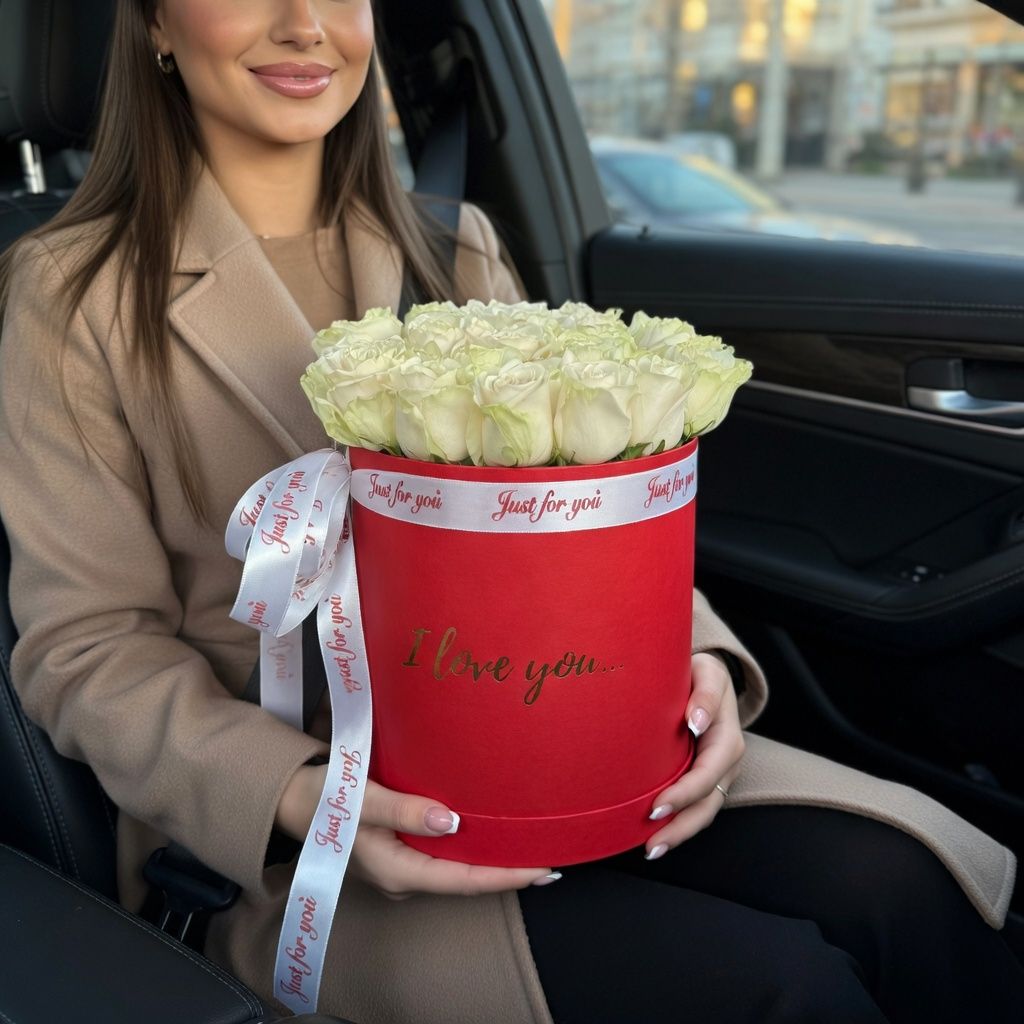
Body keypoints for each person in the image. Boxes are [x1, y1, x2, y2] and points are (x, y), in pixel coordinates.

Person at [0, 2, 1021, 1022]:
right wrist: (304, 794)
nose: (305, 23)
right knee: (779, 988)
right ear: (156, 25)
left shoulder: (456, 247)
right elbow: (87, 645)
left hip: (568, 737)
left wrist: (691, 667)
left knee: (903, 882)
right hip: (291, 831)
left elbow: (588, 512)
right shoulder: (72, 291)